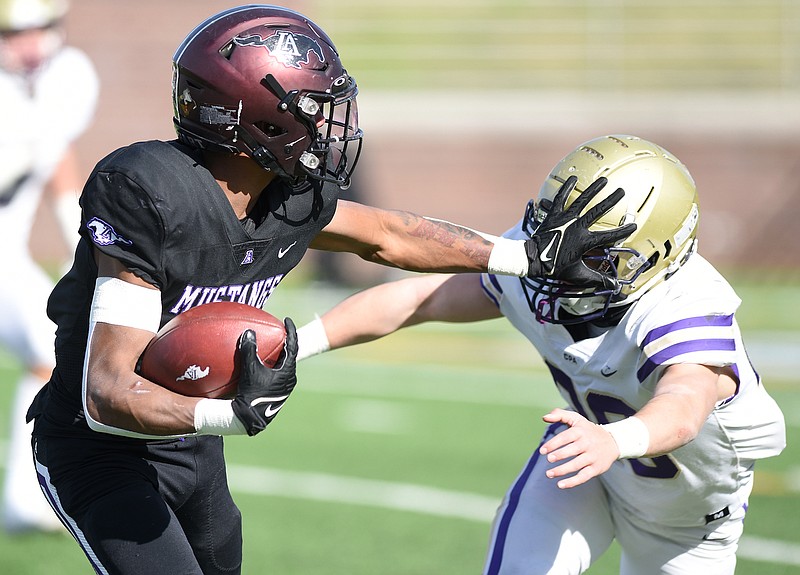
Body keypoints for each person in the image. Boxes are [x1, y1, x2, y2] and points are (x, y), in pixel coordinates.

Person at [25, 6, 632, 575]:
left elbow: (389, 237)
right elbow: (106, 390)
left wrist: (525, 255)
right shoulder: (149, 193)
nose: (325, 122)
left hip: (188, 440)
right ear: (256, 115)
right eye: (312, 105)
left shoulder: (286, 198)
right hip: (98, 447)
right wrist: (229, 413)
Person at [296, 134, 787, 574]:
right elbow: (419, 299)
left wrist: (613, 441)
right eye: (560, 236)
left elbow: (683, 408)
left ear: (659, 256)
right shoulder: (539, 262)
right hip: (578, 465)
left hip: (687, 518)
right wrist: (297, 344)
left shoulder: (685, 303)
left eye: (594, 256)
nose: (565, 267)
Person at [0, 0, 98, 534]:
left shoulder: (67, 77)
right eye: (16, 32)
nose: (31, 43)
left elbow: (58, 159)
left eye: (41, 28)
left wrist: (78, 247)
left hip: (4, 254)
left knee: (49, 348)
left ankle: (24, 499)